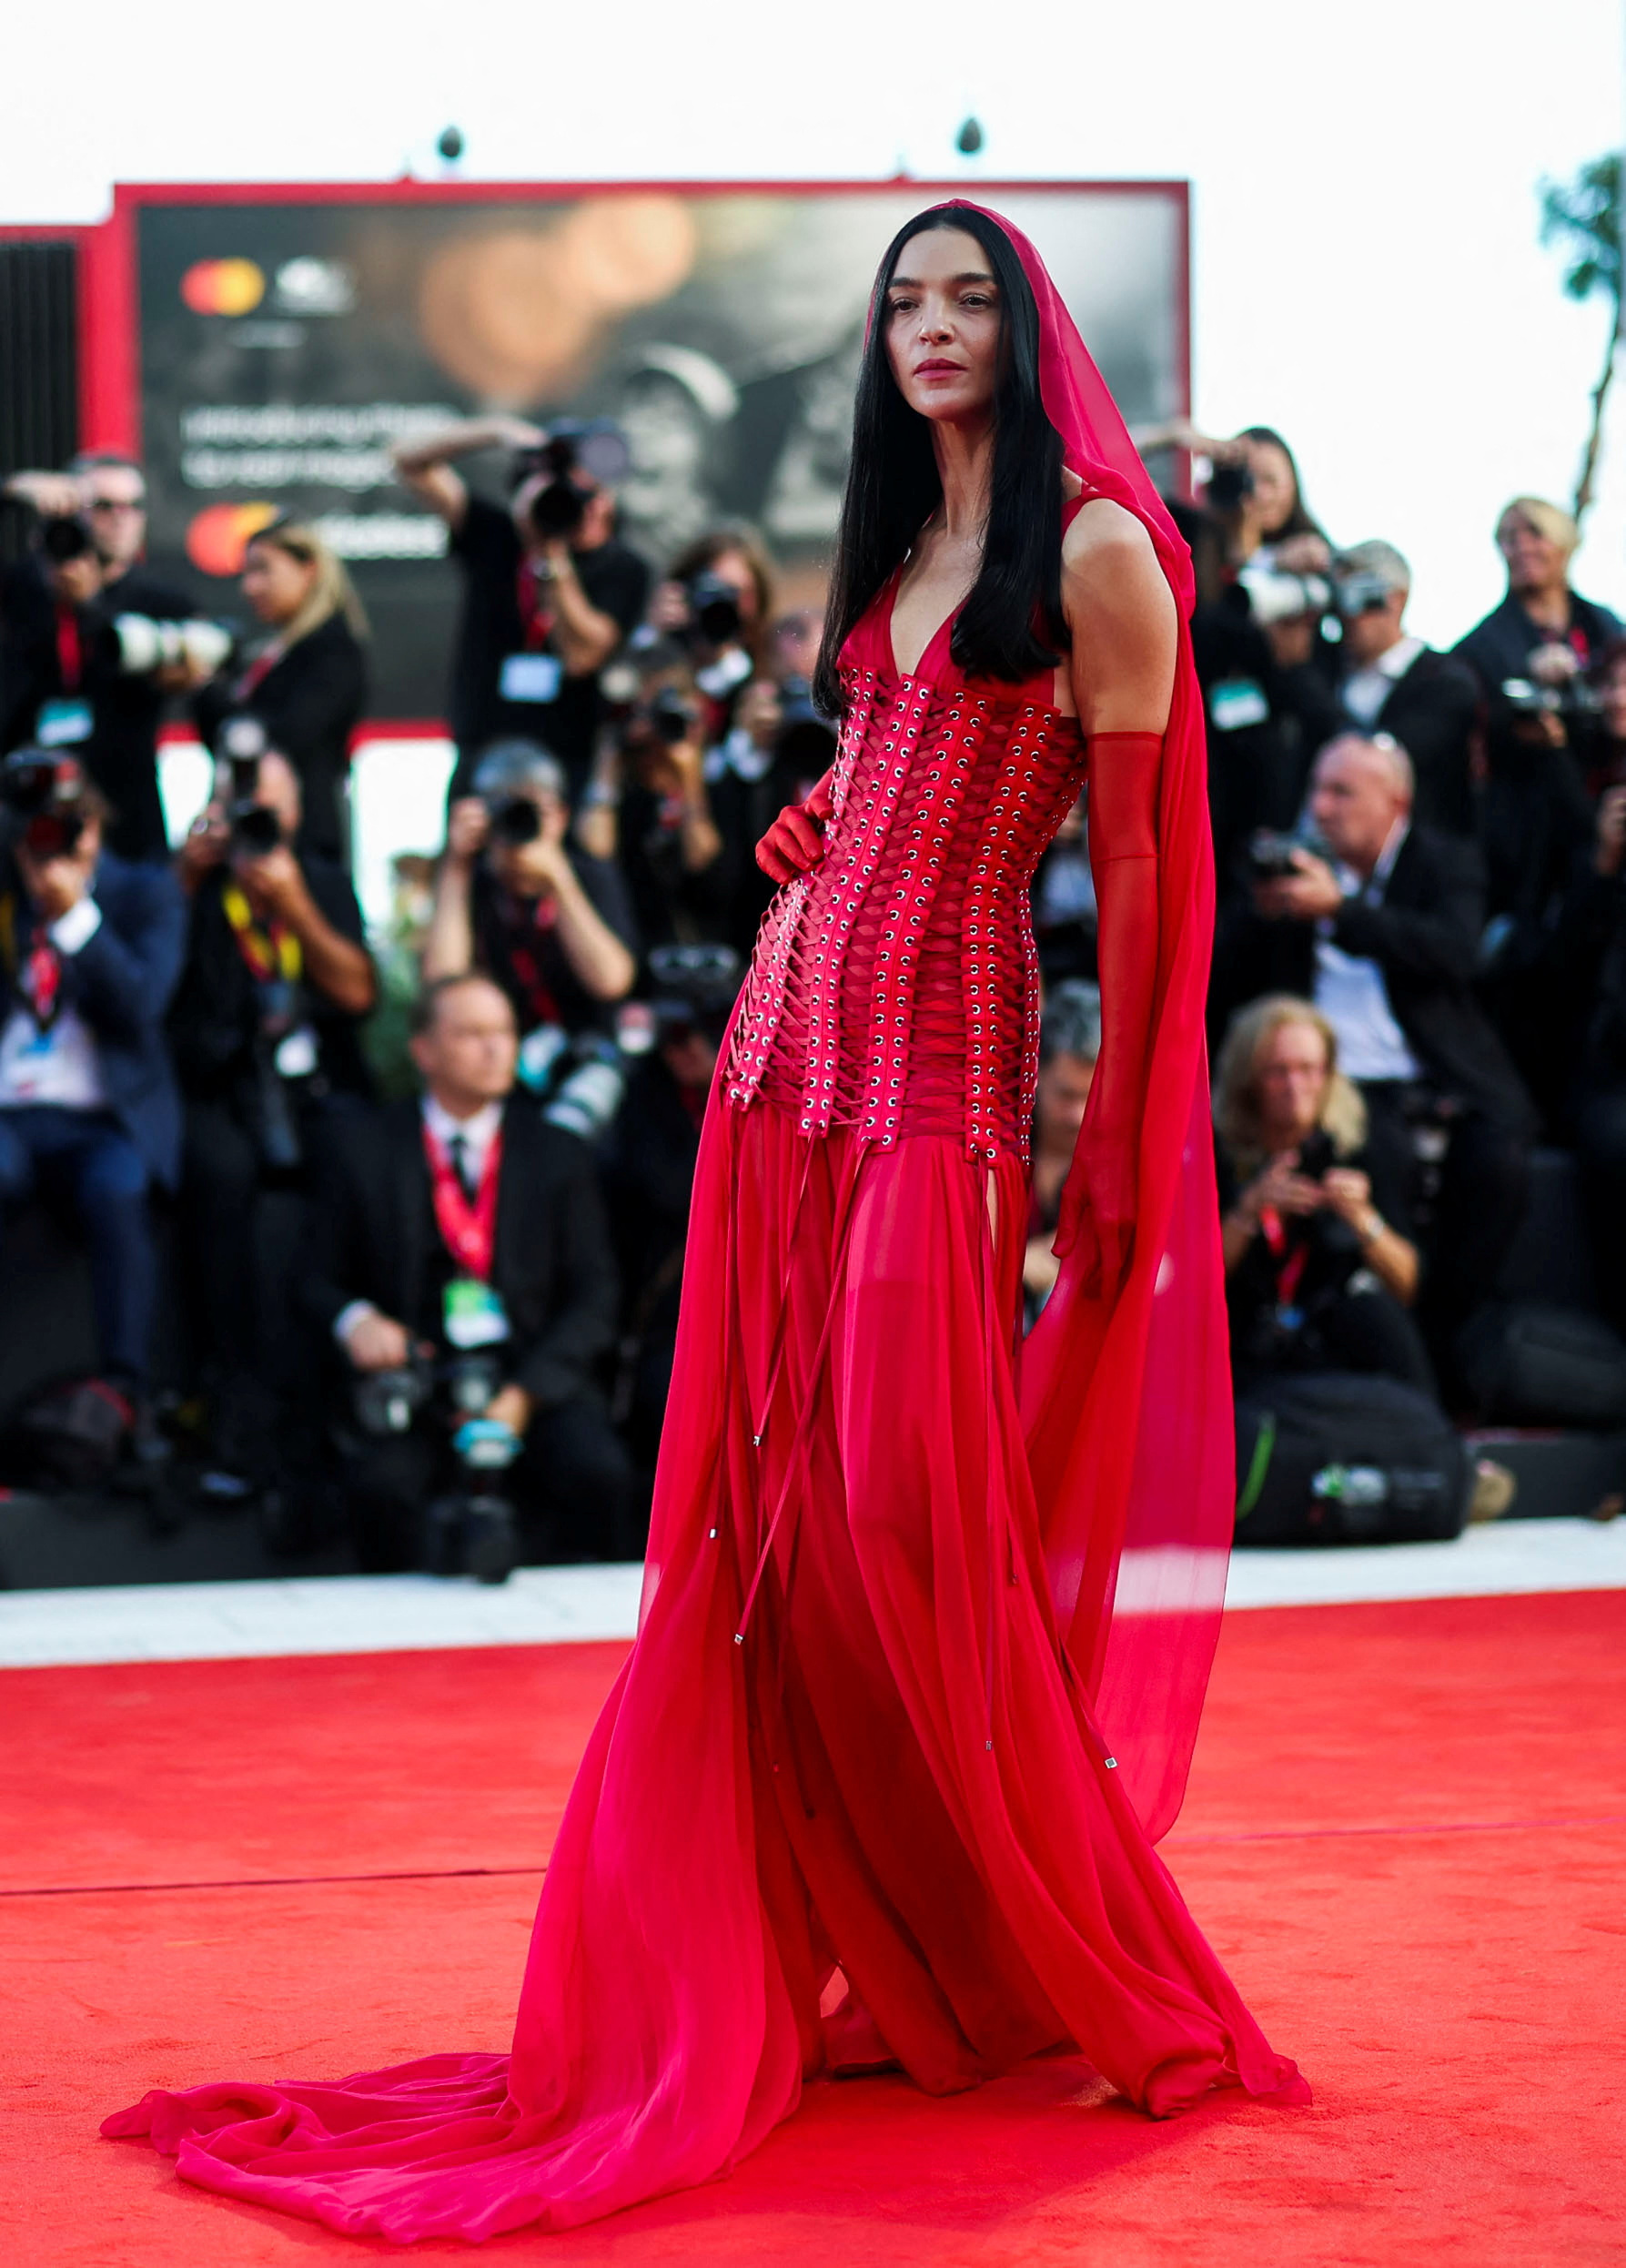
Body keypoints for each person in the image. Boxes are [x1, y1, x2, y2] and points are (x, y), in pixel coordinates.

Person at [107, 200, 1303, 2238]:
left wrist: (1123, 1156)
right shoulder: (894, 549)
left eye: (965, 300)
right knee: (771, 1539)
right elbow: (895, 770)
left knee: (908, 1517)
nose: (929, 330)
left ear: (1023, 329)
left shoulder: (1102, 554)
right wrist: (821, 823)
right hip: (769, 1070)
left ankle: (1053, 1952)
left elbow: (1147, 876)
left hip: (940, 1076)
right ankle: (874, 1959)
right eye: (899, 302)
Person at [1213, 730, 1536, 1361]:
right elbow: (1225, 975)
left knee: (1502, 1165)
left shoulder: (1444, 862)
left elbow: (1454, 951)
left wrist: (1341, 912)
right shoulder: (1292, 860)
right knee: (1369, 1152)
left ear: (1394, 803)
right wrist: (1262, 910)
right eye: (1316, 789)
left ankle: (1448, 1331)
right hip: (1330, 1079)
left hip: (1432, 1071)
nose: (1321, 807)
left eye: (1341, 792)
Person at [302, 972, 632, 1571]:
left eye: (504, 1032)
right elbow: (314, 1278)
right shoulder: (363, 1148)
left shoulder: (557, 1152)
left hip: (531, 1378)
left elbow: (596, 1294)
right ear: (423, 1050)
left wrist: (525, 1395)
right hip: (417, 1380)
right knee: (378, 1489)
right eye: (472, 1034)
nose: (494, 1048)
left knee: (599, 1475)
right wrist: (356, 1321)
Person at [168, 750, 377, 1480]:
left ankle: (335, 1408)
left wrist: (293, 906)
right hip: (221, 1088)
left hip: (315, 1087)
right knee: (217, 1175)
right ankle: (228, 1404)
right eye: (240, 811)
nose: (255, 828)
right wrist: (185, 877)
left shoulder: (318, 881)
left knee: (353, 1167)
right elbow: (153, 993)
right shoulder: (196, 887)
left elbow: (357, 993)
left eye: (268, 812)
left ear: (294, 816)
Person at [0, 753, 186, 1425]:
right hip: (11, 1116)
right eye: (34, 829)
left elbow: (140, 1008)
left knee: (118, 1188)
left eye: (65, 828)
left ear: (96, 827)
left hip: (104, 1118)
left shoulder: (145, 892)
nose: (47, 843)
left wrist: (77, 917)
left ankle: (121, 1396)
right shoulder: (4, 896)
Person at [389, 416, 651, 804]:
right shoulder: (497, 535)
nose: (583, 508)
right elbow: (406, 462)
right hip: (484, 747)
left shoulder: (623, 567)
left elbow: (582, 656)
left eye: (589, 493)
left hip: (566, 758)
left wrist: (551, 555)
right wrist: (494, 431)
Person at [1213, 996, 1429, 1394]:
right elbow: (1191, 1284)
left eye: (1309, 1070)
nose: (1295, 1087)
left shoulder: (1362, 1145)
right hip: (1244, 1341)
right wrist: (1248, 1211)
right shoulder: (1218, 1151)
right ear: (1248, 1080)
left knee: (1377, 1316)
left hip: (1334, 1335)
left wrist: (1363, 1218)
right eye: (1277, 1072)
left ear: (1329, 1075)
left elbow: (1408, 1284)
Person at [0, 486, 209, 863]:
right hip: (24, 809)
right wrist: (13, 492)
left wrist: (91, 606)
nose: (118, 517)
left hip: (124, 821)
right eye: (101, 505)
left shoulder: (161, 602)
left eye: (132, 506)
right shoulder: (23, 589)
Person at [423, 739, 637, 1048]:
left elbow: (612, 981)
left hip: (589, 1053)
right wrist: (456, 865)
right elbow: (443, 983)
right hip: (502, 1057)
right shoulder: (470, 881)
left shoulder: (590, 875)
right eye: (508, 809)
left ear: (562, 816)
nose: (521, 821)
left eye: (534, 810)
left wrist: (560, 882)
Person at [192, 521, 369, 866]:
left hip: (301, 849)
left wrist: (210, 689)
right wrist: (202, 688)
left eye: (263, 570)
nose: (249, 587)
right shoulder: (269, 653)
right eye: (246, 573)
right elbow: (225, 742)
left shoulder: (334, 650)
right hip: (250, 840)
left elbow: (283, 738)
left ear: (308, 570)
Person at [574, 643, 727, 960]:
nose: (651, 726)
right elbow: (596, 853)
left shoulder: (722, 778)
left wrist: (687, 772)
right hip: (636, 952)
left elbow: (702, 860)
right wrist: (609, 761)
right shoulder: (619, 785)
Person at [1330, 542, 1480, 837]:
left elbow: (1380, 763)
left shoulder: (1445, 681)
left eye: (1360, 594)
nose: (1347, 613)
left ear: (1396, 599)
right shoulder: (1326, 668)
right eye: (1338, 596)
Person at [1453, 496, 1623, 714]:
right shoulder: (1479, 648)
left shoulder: (1604, 627)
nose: (1523, 548)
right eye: (1510, 539)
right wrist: (1525, 675)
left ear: (1564, 545)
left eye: (1535, 534)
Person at [1023, 978, 1100, 1318]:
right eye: (1066, 1095)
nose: (1076, 1115)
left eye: (1090, 1098)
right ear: (1036, 1074)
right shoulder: (999, 1148)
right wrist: (1014, 1264)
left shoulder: (1118, 1162)